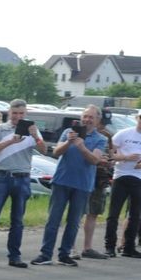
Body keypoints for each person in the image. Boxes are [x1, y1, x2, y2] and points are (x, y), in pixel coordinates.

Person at [30, 106, 107, 266]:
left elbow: (94, 160)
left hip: (82, 185)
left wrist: (81, 146)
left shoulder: (101, 139)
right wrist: (69, 142)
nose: (87, 120)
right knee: (53, 220)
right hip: (61, 181)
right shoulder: (68, 132)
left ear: (97, 120)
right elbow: (56, 152)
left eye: (91, 117)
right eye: (85, 116)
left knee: (73, 222)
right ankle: (45, 254)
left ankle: (64, 254)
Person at [0, 99, 45, 268]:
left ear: (25, 114)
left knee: (18, 220)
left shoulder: (32, 129)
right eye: (15, 113)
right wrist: (11, 141)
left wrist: (35, 136)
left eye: (21, 114)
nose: (18, 117)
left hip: (22, 176)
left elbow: (43, 150)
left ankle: (14, 256)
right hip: (2, 176)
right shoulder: (0, 128)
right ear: (9, 113)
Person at [103, 110, 141, 258]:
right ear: (137, 118)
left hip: (138, 178)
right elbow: (111, 156)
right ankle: (110, 246)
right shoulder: (124, 134)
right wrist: (126, 157)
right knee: (114, 214)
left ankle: (128, 247)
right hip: (121, 176)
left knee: (135, 215)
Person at [79, 111, 115, 260]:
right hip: (85, 175)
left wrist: (110, 160)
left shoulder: (106, 136)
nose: (102, 126)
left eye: (103, 123)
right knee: (78, 212)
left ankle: (87, 247)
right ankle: (72, 248)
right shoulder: (82, 133)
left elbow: (112, 153)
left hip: (100, 177)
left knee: (93, 212)